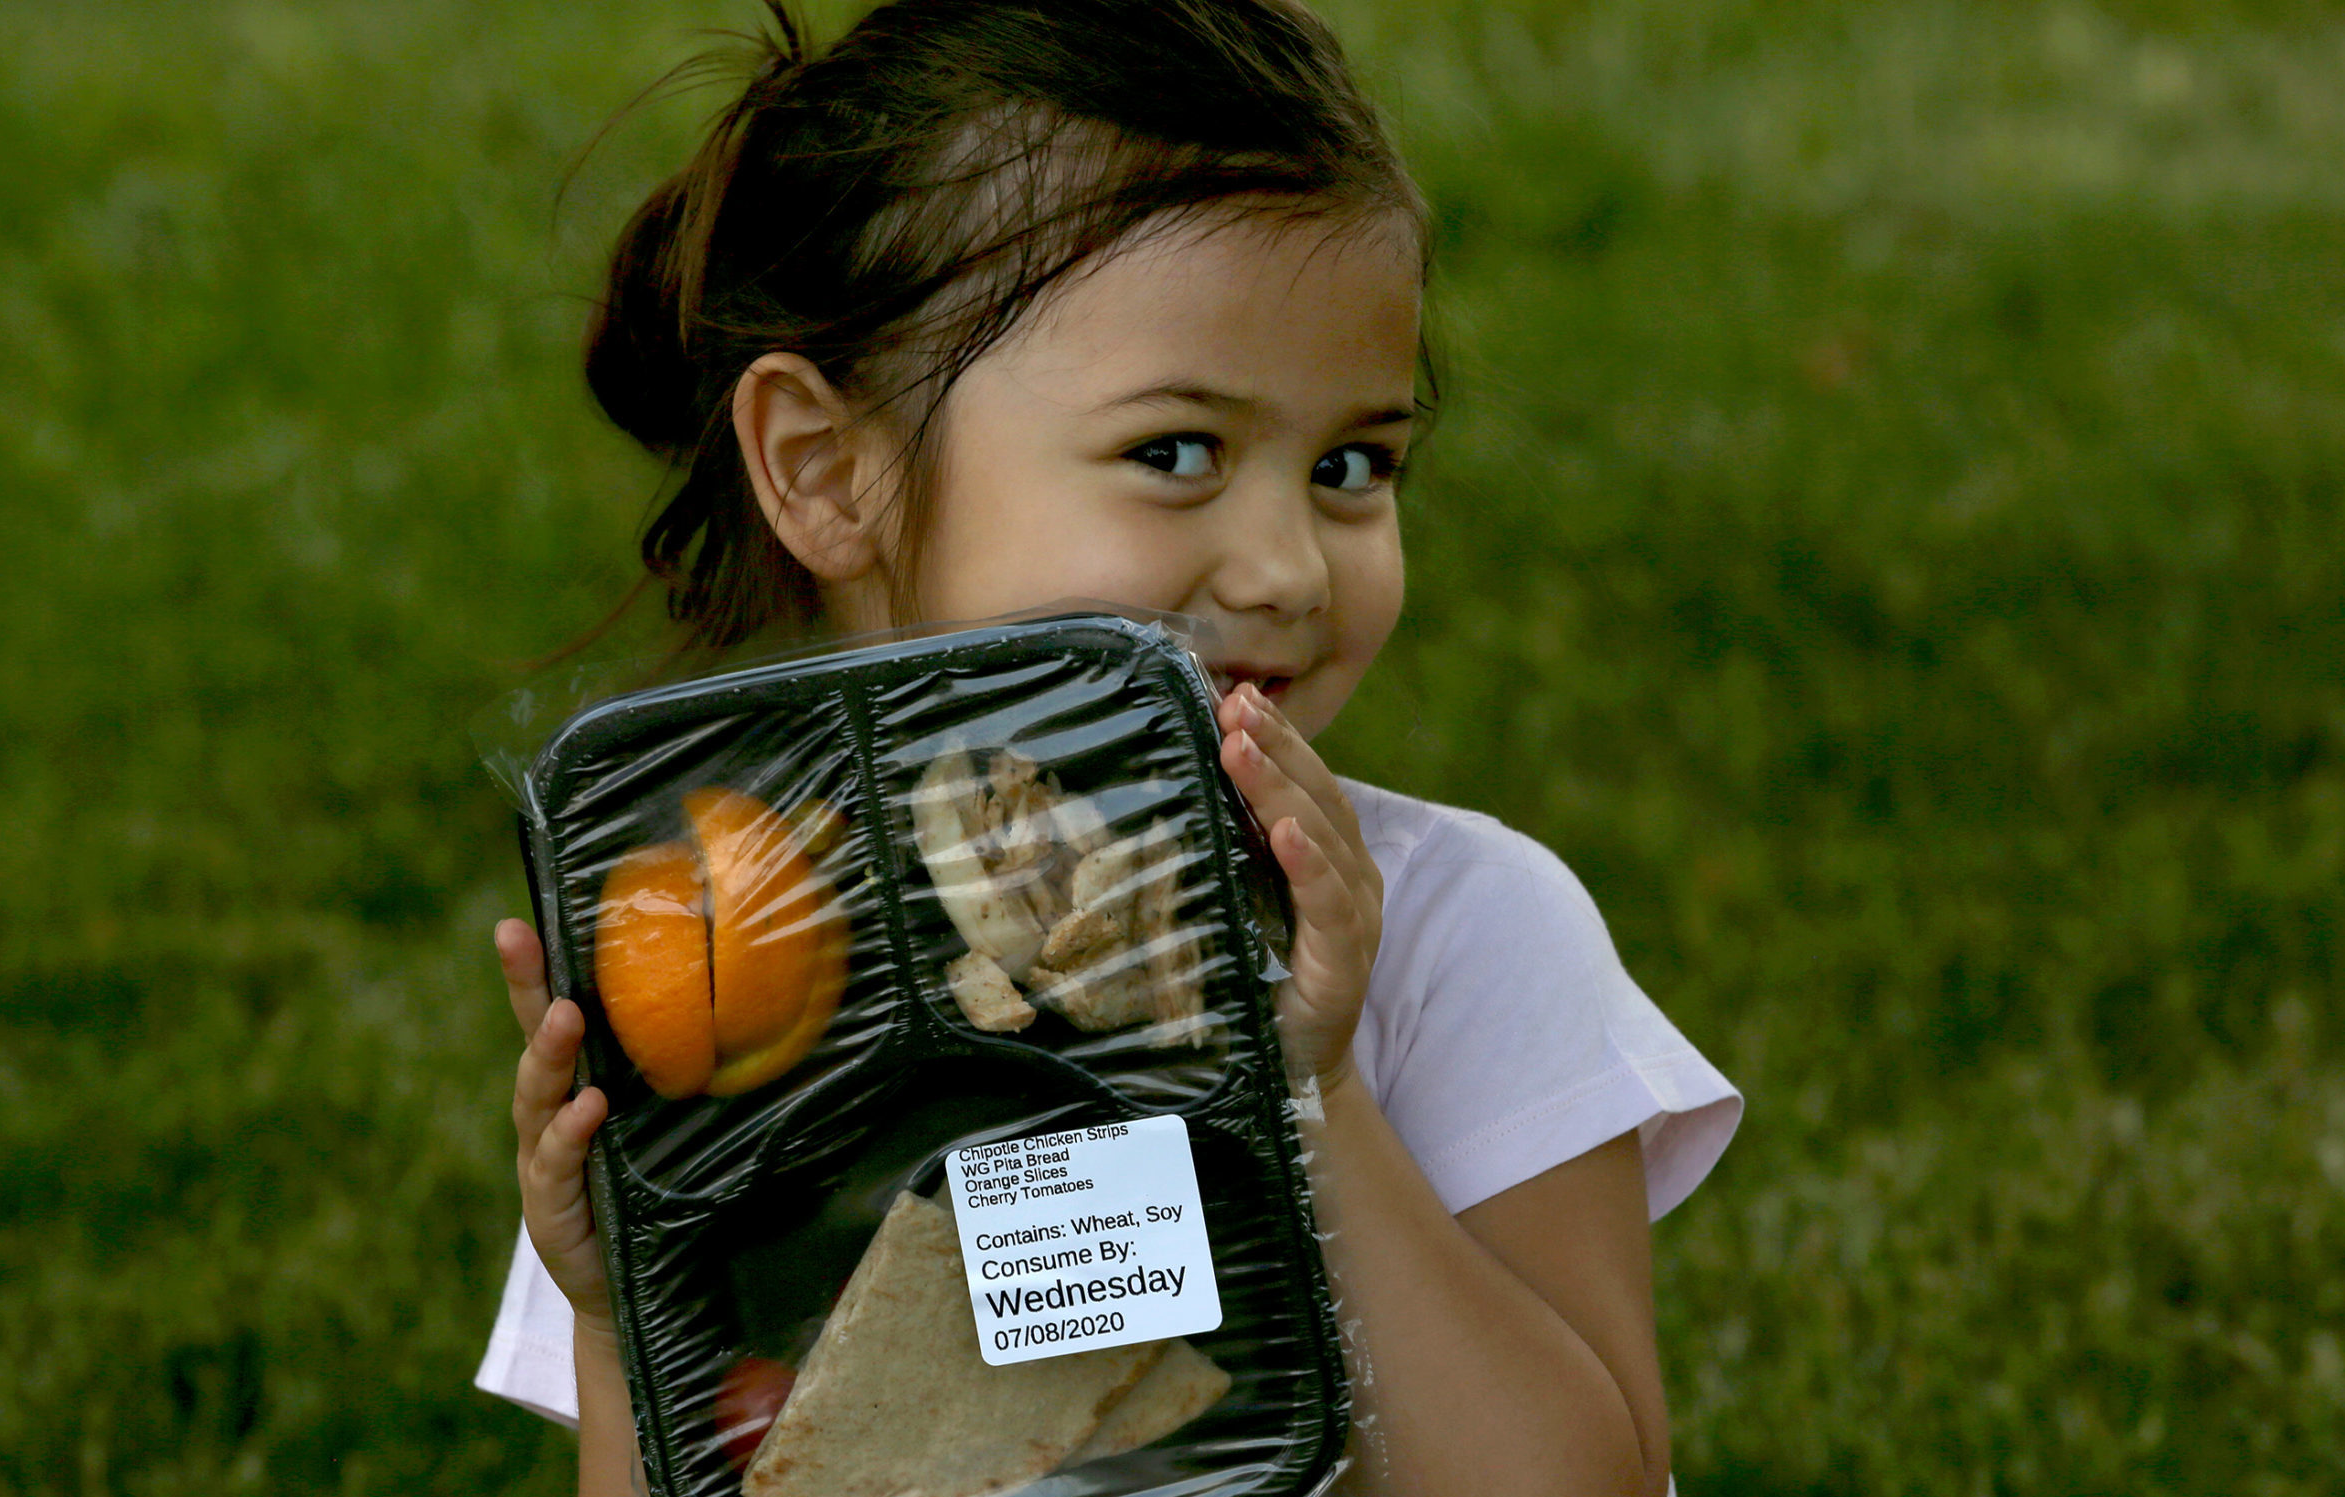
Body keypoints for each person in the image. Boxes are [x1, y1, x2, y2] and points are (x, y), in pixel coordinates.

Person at [480, 2, 1741, 1492]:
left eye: (1351, 466)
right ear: (827, 471)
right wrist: (626, 1323)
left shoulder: (1463, 931)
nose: (1287, 566)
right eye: (1176, 452)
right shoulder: (724, 999)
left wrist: (1305, 1084)